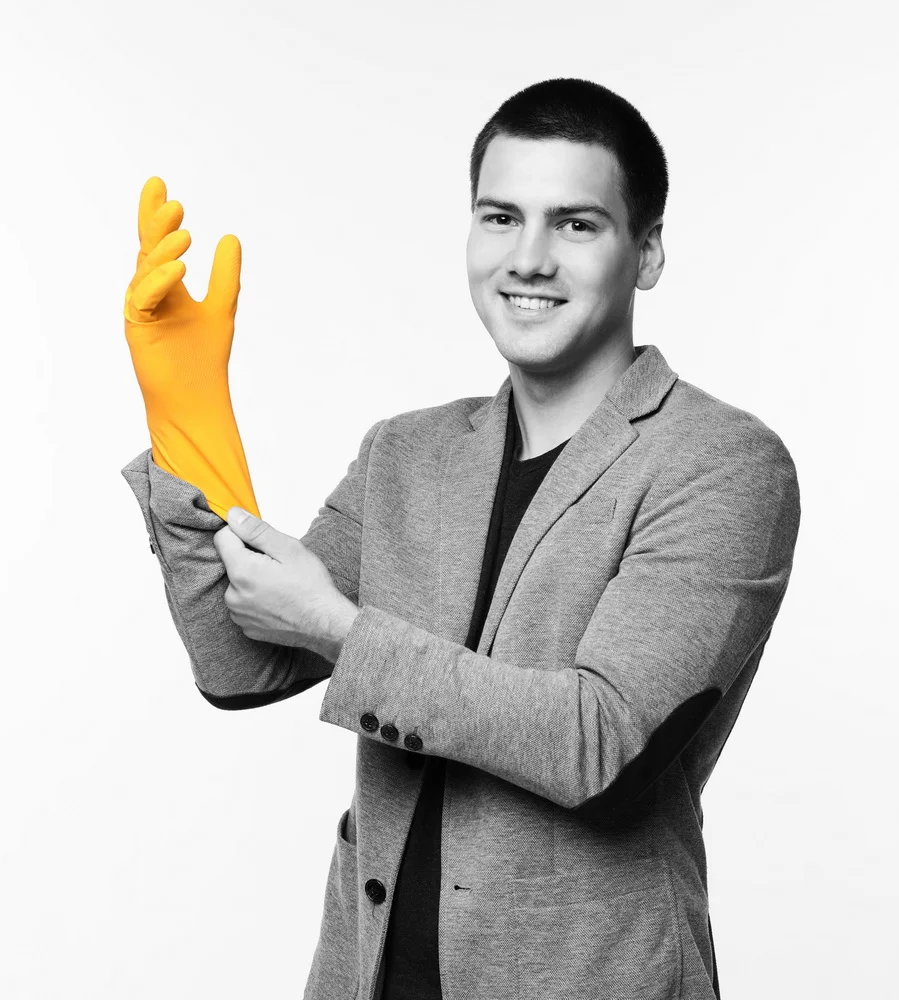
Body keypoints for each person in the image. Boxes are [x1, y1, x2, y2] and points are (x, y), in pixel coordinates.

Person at [121, 77, 801, 1000]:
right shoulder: (408, 452)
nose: (528, 259)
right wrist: (187, 419)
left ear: (645, 253)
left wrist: (339, 630)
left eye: (575, 224)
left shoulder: (722, 464)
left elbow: (599, 747)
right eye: (498, 217)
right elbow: (242, 662)